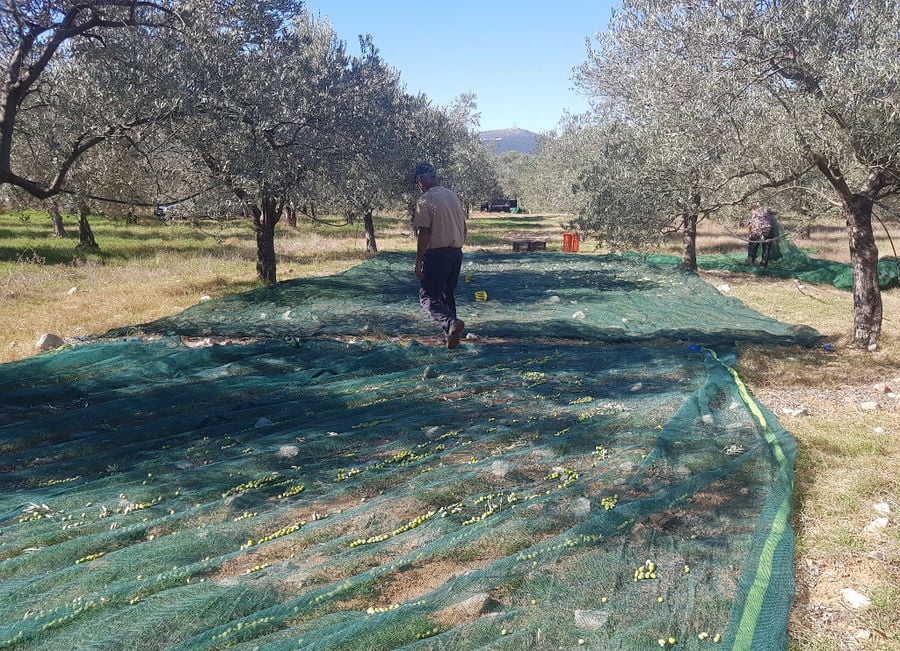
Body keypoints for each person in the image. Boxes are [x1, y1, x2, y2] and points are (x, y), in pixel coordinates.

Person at [412, 162, 467, 349]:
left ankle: (450, 324)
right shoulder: (452, 196)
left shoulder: (426, 200)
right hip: (456, 253)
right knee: (446, 294)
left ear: (421, 179)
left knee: (427, 297)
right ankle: (451, 336)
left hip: (437, 255)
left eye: (417, 182)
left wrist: (419, 260)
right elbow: (464, 227)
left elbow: (424, 233)